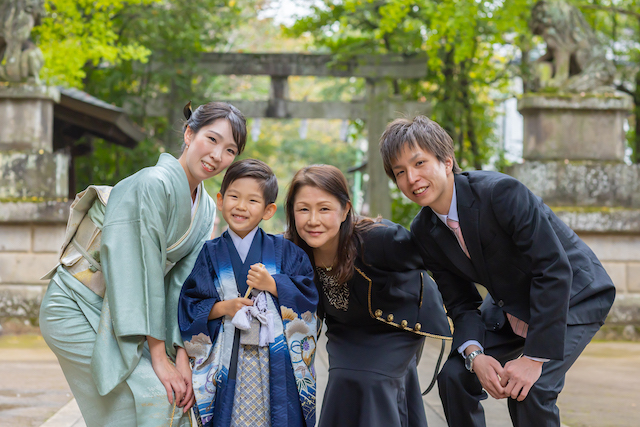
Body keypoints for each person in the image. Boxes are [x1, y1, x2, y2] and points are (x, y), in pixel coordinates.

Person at [380, 115, 616, 427]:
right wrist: (475, 355)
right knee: (454, 376)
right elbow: (461, 303)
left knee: (530, 389)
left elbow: (554, 270)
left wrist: (532, 359)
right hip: (511, 300)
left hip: (575, 293)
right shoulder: (423, 229)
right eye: (400, 172)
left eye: (419, 163)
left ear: (446, 161)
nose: (412, 177)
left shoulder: (501, 193)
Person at [39, 101, 247, 426]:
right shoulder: (152, 184)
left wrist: (181, 356)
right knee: (151, 398)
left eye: (230, 149)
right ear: (189, 133)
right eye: (212, 139)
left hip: (126, 317)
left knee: (176, 399)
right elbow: (139, 271)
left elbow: (184, 284)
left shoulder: (206, 208)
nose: (218, 155)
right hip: (77, 305)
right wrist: (158, 358)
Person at [284, 165, 452, 427]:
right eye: (303, 209)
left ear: (345, 210)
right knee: (342, 380)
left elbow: (435, 260)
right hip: (346, 330)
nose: (313, 220)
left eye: (325, 208)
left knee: (373, 380)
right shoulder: (292, 250)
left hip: (394, 325)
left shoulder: (379, 239)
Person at [178, 159, 319, 427]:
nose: (241, 206)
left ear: (268, 210)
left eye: (252, 201)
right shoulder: (209, 253)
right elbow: (190, 304)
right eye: (234, 196)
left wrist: (274, 285)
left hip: (276, 362)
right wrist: (224, 308)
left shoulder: (288, 252)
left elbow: (308, 300)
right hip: (227, 359)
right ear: (220, 200)